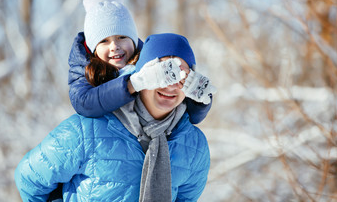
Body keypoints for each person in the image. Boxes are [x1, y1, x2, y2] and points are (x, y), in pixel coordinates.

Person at [15, 33, 212, 201]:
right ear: (143, 75)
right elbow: (29, 179)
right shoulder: (85, 130)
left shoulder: (194, 146)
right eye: (163, 73)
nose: (170, 85)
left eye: (181, 75)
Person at [68, 0, 213, 124]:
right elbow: (84, 103)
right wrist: (135, 83)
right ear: (93, 48)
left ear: (133, 40)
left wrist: (199, 99)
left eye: (122, 37)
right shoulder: (85, 70)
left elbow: (187, 112)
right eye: (104, 41)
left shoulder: (147, 60)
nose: (114, 46)